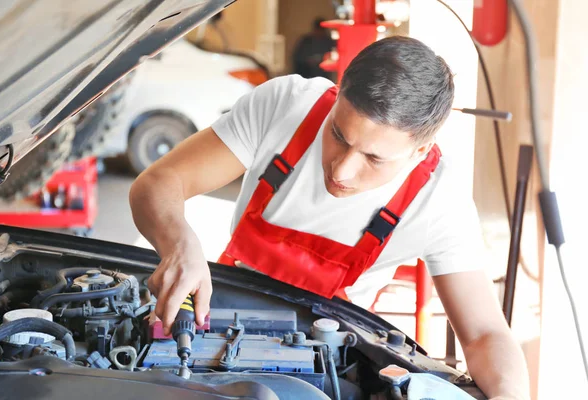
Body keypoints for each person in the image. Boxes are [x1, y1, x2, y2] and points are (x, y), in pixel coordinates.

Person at [129, 36, 530, 399]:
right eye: (338, 135)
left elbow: (484, 335)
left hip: (329, 357)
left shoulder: (439, 202)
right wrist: (180, 243)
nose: (341, 171)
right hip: (215, 323)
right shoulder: (284, 106)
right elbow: (159, 182)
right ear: (337, 95)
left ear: (420, 152)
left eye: (374, 158)